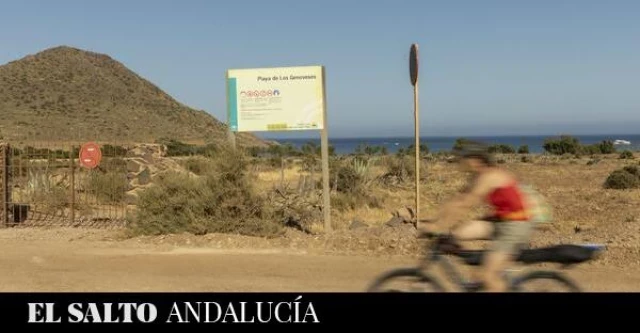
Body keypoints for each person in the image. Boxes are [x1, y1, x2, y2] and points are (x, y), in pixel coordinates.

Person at [421, 142, 546, 292]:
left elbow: (466, 204)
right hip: (500, 220)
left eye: (464, 159)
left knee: (488, 276)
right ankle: (479, 273)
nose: (461, 162)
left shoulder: (490, 176)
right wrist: (436, 222)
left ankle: (489, 275)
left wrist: (437, 227)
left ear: (475, 160)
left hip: (517, 224)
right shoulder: (477, 177)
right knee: (456, 234)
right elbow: (457, 201)